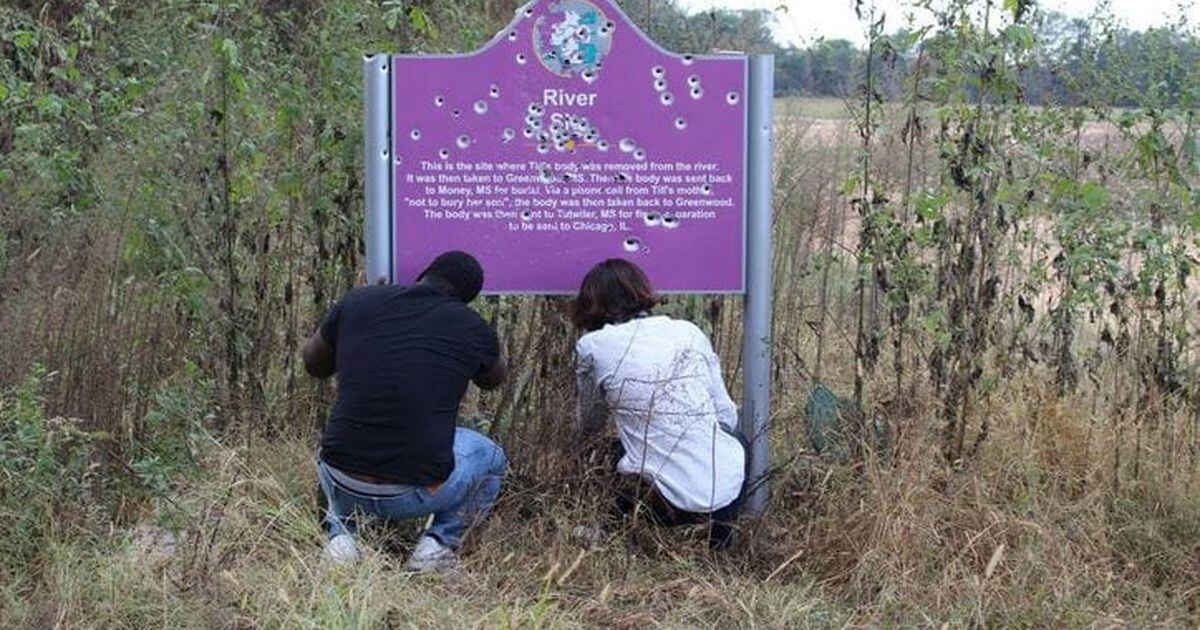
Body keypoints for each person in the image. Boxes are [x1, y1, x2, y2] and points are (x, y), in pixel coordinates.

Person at [302, 251, 508, 571]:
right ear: (468, 298)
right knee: (491, 455)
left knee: (346, 440)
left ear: (424, 273)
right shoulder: (471, 327)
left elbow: (313, 363)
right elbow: (493, 380)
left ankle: (341, 538)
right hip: (413, 493)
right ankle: (439, 545)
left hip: (339, 479)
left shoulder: (360, 301)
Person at [571, 259, 746, 549]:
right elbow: (726, 413)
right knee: (733, 439)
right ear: (642, 291)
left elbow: (590, 424)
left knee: (599, 451)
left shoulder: (593, 346)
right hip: (727, 491)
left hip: (659, 502)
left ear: (591, 303)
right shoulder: (689, 331)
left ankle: (611, 532)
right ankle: (722, 539)